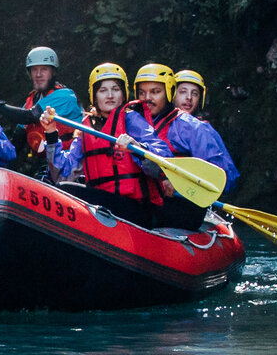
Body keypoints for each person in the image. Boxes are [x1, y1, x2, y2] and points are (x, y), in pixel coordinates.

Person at [44, 62, 170, 228]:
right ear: (95, 97)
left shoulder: (131, 120)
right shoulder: (86, 128)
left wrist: (138, 147)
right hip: (102, 207)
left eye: (115, 89)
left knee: (69, 190)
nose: (110, 95)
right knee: (63, 187)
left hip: (135, 208)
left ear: (123, 94)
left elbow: (164, 157)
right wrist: (51, 134)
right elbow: (62, 174)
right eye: (103, 90)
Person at [134, 62, 239, 229]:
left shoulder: (196, 128)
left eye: (194, 94)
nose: (188, 98)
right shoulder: (135, 123)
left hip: (179, 206)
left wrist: (180, 185)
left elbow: (225, 177)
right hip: (145, 200)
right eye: (183, 92)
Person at [0, 45, 81, 167]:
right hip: (46, 165)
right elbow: (15, 146)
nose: (38, 74)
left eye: (44, 69)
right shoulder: (30, 101)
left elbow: (30, 116)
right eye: (34, 69)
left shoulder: (65, 96)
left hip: (69, 162)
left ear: (53, 72)